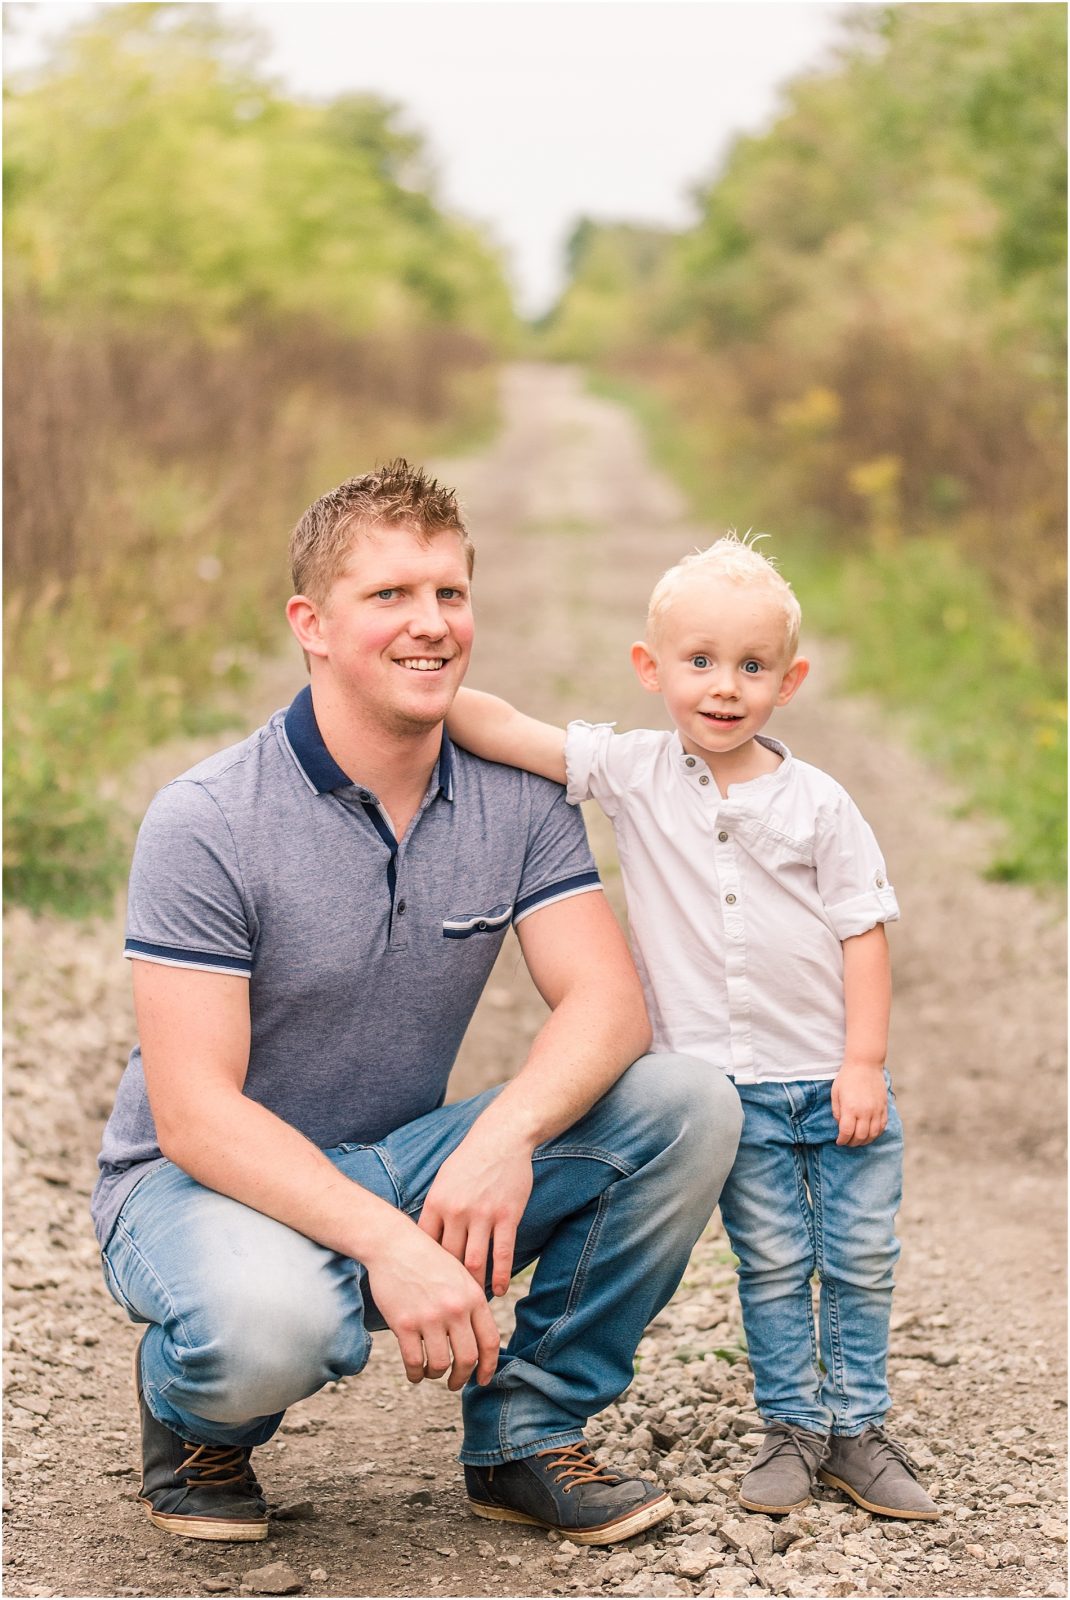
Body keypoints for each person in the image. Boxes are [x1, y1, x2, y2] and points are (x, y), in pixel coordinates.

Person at [91, 460, 743, 1549]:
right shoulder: (206, 817)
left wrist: (503, 1137)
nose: (429, 624)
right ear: (309, 623)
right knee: (268, 1327)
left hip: (394, 1154)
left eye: (449, 593)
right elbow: (194, 1114)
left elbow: (608, 1003)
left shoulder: (514, 796)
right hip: (200, 1181)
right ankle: (194, 1418)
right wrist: (389, 1249)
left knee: (686, 1102)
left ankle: (522, 1431)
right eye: (388, 595)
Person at [446, 533, 939, 1522]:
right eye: (700, 661)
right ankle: (794, 1429)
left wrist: (861, 1062)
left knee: (854, 1255)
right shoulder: (631, 772)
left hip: (831, 1081)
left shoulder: (817, 806)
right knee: (768, 1259)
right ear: (651, 668)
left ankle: (858, 1426)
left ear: (786, 681)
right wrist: (416, 688)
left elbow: (862, 935)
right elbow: (507, 728)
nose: (724, 687)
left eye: (751, 667)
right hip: (730, 1092)